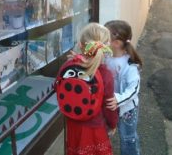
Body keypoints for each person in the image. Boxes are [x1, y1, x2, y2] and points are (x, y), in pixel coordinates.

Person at [58, 22, 118, 155]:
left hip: (73, 123)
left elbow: (57, 86)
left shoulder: (68, 66)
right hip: (95, 127)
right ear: (105, 47)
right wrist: (112, 124)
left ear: (80, 45)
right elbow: (109, 106)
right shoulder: (105, 74)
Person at [105, 20, 142, 155]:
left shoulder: (130, 64)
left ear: (116, 42)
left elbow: (134, 89)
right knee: (107, 132)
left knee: (128, 137)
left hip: (127, 109)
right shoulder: (106, 56)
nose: (102, 39)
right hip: (111, 105)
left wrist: (118, 99)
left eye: (105, 35)